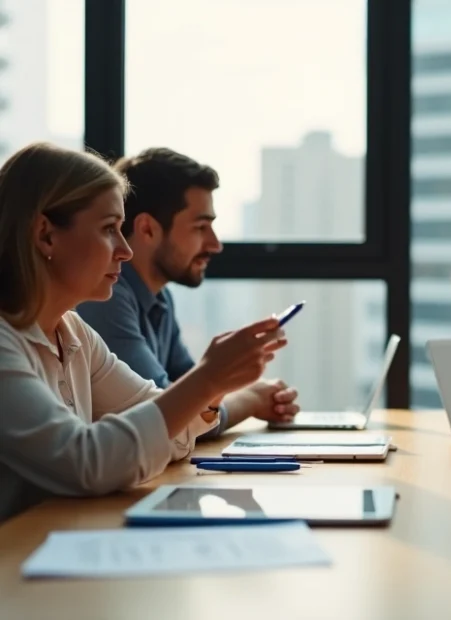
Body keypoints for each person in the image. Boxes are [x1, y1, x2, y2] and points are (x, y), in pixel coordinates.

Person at [0, 142, 289, 522]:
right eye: (108, 230)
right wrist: (208, 380)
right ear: (46, 235)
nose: (125, 250)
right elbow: (86, 462)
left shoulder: (74, 332)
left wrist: (215, 384)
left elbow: (166, 421)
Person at [77, 148, 299, 438]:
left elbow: (193, 394)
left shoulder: (160, 299)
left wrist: (238, 385)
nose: (215, 244)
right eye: (201, 226)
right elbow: (173, 416)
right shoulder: (106, 298)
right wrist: (254, 398)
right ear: (147, 229)